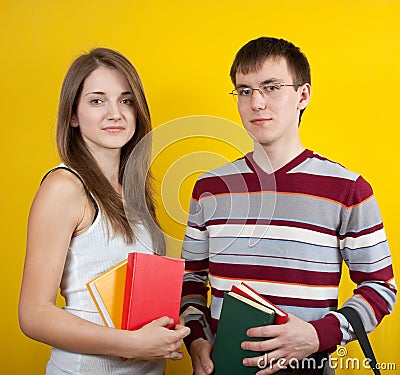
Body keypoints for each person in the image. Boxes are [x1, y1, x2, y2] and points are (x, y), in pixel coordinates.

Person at [180, 37, 396, 375]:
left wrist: (315, 334)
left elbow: (380, 289)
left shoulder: (348, 189)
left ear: (303, 95)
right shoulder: (209, 188)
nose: (256, 103)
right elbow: (190, 280)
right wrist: (195, 340)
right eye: (245, 90)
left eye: (271, 87)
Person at [18, 47, 190, 375]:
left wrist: (170, 325)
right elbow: (34, 314)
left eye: (126, 100)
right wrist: (134, 344)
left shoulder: (135, 190)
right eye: (97, 101)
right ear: (72, 114)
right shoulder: (64, 188)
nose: (115, 113)